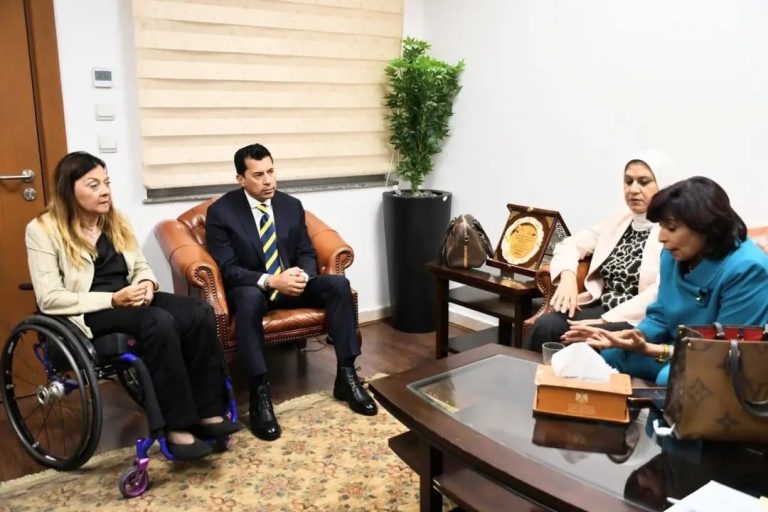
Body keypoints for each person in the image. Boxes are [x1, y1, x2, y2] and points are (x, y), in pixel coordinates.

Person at [25, 151, 242, 461]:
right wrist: (113, 299)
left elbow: (140, 266)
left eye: (107, 183)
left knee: (199, 312)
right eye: (94, 185)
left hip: (129, 299)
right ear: (68, 190)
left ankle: (208, 414)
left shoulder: (115, 220)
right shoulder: (42, 230)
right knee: (158, 322)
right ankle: (176, 427)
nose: (105, 191)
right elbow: (49, 297)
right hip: (89, 311)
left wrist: (147, 284)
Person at [205, 143, 377, 441]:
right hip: (254, 288)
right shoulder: (221, 212)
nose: (268, 181)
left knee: (338, 285)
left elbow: (306, 251)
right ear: (240, 179)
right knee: (247, 298)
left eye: (271, 172)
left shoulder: (290, 206)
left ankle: (347, 376)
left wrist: (302, 276)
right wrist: (272, 280)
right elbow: (228, 269)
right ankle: (260, 394)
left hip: (292, 284)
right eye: (258, 175)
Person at [565, 176, 768, 384]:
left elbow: (724, 352)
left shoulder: (747, 268)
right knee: (608, 355)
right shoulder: (673, 254)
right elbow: (661, 315)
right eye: (660, 226)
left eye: (670, 228)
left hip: (721, 363)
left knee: (671, 380)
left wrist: (651, 349)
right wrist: (633, 337)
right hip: (676, 346)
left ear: (707, 228)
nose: (661, 237)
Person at [525, 156, 663, 351]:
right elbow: (570, 244)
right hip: (602, 305)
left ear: (664, 186)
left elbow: (659, 292)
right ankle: (535, 372)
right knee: (546, 326)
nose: (633, 189)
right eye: (628, 181)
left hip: (636, 318)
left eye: (643, 182)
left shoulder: (670, 230)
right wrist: (567, 276)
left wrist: (603, 321)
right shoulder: (619, 219)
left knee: (585, 340)